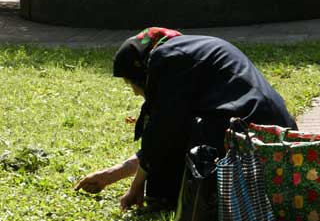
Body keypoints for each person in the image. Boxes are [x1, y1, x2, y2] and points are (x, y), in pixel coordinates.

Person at [75, 27, 297, 209]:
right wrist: (114, 174)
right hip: (274, 131)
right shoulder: (187, 49)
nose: (134, 91)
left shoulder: (168, 58)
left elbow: (164, 132)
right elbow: (166, 129)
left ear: (141, 70)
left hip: (250, 133)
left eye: (131, 83)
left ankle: (167, 199)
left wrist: (136, 186)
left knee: (177, 141)